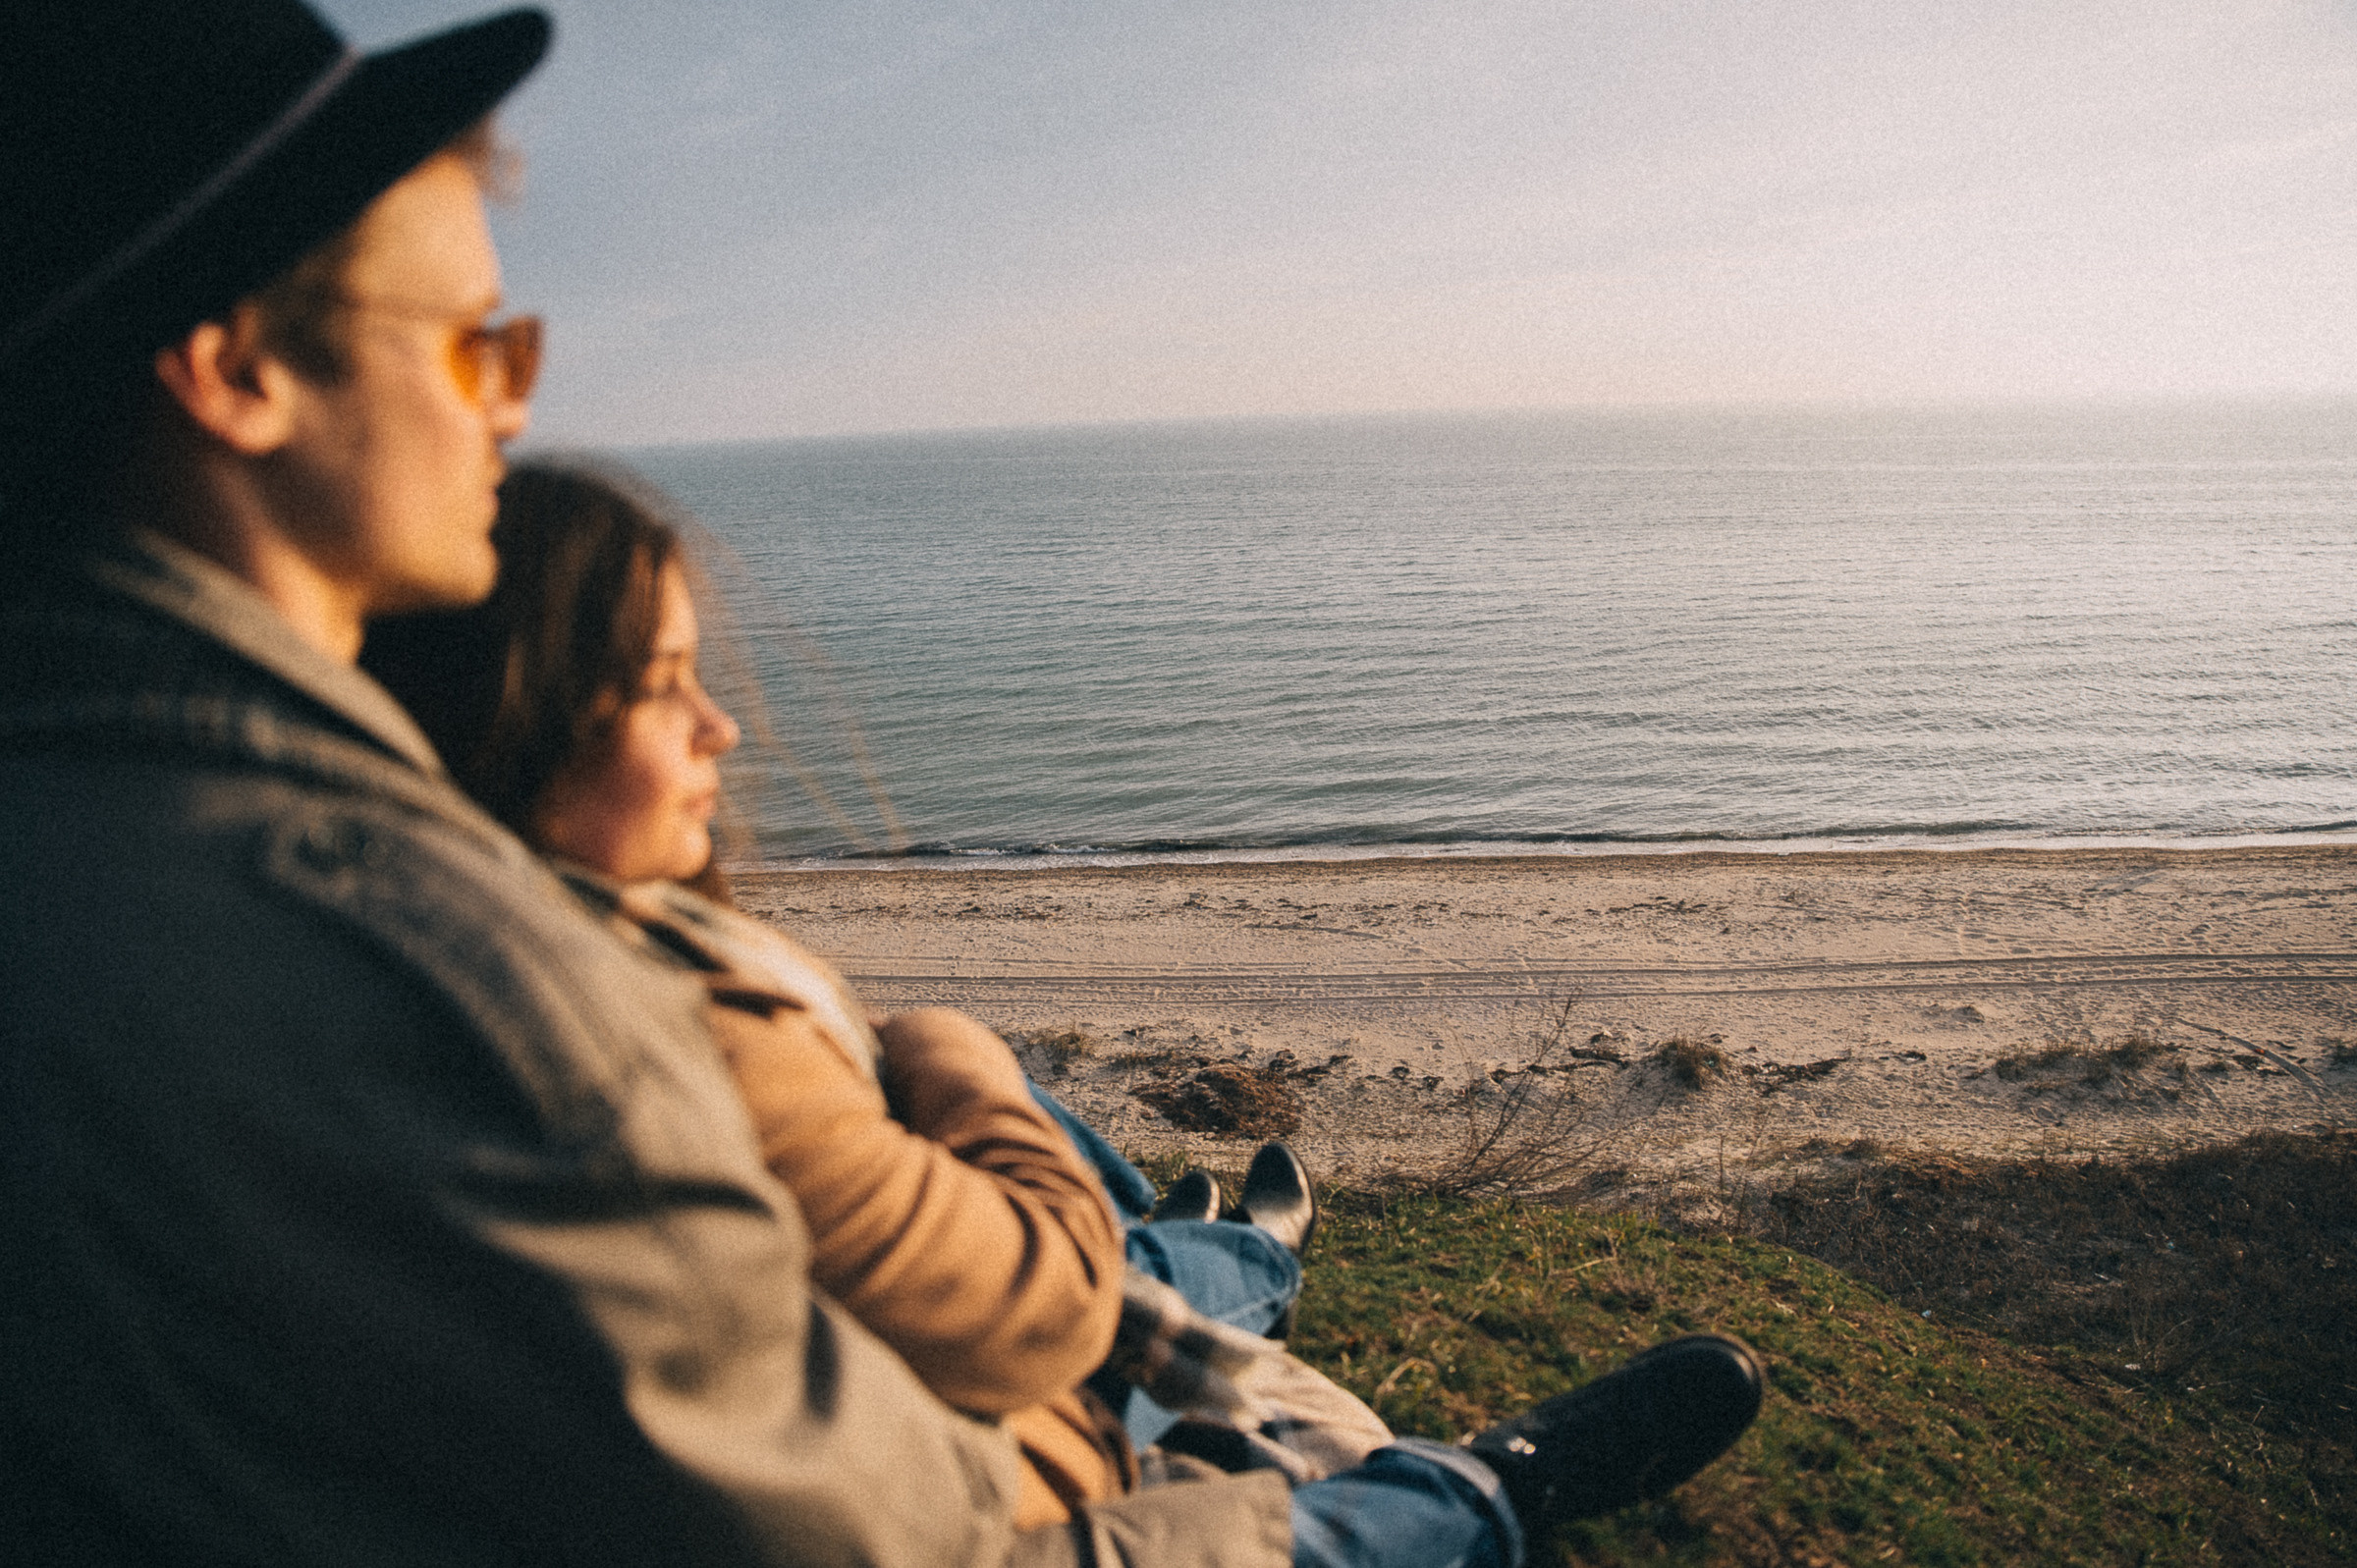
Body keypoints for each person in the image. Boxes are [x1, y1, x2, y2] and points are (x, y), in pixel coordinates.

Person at [0, 3, 1763, 1564]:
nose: (510, 409)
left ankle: (1225, 1282)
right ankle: (1481, 1488)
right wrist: (1086, 1404)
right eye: (475, 344)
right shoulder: (433, 964)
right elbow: (892, 1535)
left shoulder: (96, 843)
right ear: (237, 367)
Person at [362, 457, 1329, 1520]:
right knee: (1417, 1479)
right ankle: (1249, 1255)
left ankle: (1165, 1231)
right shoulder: (657, 1027)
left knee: (1007, 1119)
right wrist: (953, 1050)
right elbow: (1052, 1305)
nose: (720, 725)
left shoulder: (513, 945)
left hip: (936, 1348)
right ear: (516, 724)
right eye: (662, 681)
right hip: (1005, 1435)